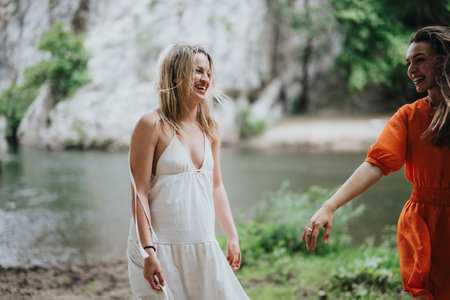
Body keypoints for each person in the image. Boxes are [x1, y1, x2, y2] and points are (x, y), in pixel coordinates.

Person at [302, 26, 450, 300]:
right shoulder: (408, 117)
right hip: (423, 226)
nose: (411, 70)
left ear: (443, 61)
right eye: (408, 62)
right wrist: (329, 205)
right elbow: (375, 164)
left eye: (419, 60)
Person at [126, 44, 249, 299]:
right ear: (174, 75)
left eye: (207, 72)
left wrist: (232, 235)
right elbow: (139, 191)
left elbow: (216, 185)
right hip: (160, 248)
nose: (204, 78)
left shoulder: (211, 128)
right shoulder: (152, 125)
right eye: (197, 71)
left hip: (202, 246)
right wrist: (148, 251)